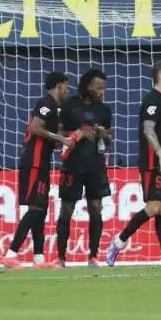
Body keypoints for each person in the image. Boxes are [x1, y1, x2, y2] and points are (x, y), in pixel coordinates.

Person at [107, 61, 161, 266]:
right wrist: (160, 154)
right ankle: (118, 242)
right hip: (153, 163)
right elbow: (148, 130)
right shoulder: (152, 101)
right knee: (153, 207)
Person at [1, 72, 73, 269]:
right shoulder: (46, 103)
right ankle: (11, 254)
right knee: (36, 208)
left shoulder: (54, 107)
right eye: (65, 86)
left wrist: (68, 137)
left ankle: (39, 259)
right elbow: (34, 128)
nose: (68, 90)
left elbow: (50, 135)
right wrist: (62, 139)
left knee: (41, 209)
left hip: (41, 162)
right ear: (58, 86)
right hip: (33, 162)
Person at [56, 69, 113, 267]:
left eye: (103, 88)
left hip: (96, 166)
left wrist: (104, 135)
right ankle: (61, 258)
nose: (101, 92)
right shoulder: (69, 106)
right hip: (72, 164)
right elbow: (58, 135)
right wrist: (77, 133)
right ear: (87, 86)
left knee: (96, 208)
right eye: (98, 88)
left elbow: (110, 140)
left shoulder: (105, 111)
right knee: (66, 209)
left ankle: (93, 256)